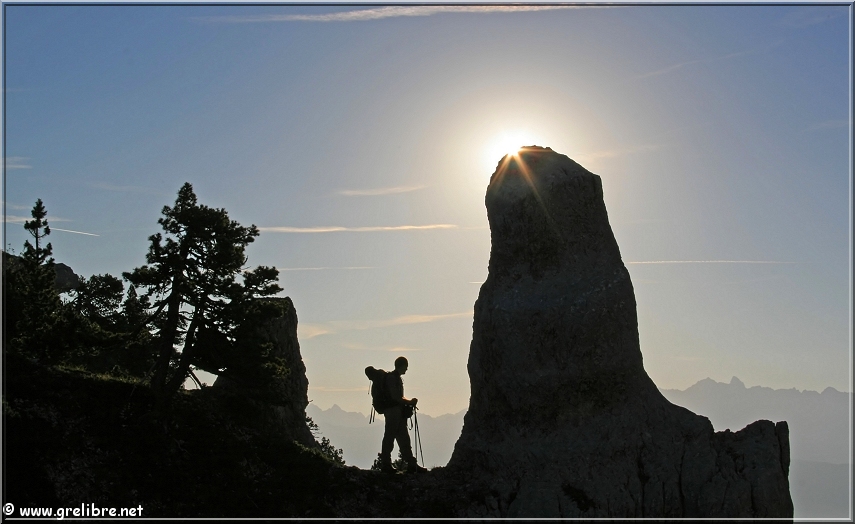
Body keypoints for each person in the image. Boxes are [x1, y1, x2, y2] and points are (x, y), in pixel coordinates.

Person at [379, 356, 426, 474]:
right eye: (406, 366)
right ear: (402, 365)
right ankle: (386, 465)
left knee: (403, 438)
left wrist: (408, 402)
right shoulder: (392, 378)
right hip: (393, 412)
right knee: (390, 437)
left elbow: (398, 397)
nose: (407, 369)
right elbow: (396, 397)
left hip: (396, 412)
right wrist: (409, 402)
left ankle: (410, 464)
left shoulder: (396, 378)